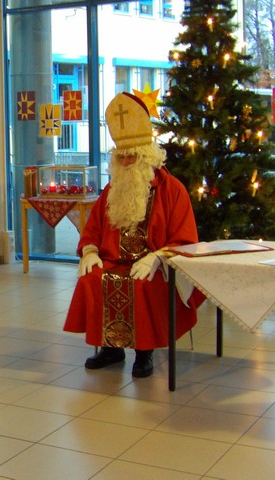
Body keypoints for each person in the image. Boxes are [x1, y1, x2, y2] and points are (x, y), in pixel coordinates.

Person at [64, 92, 204, 378]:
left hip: (153, 265)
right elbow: (92, 229)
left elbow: (185, 239)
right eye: (121, 156)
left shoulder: (172, 190)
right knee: (93, 277)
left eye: (132, 155)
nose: (126, 161)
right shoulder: (112, 190)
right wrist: (90, 250)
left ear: (146, 155)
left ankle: (144, 352)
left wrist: (157, 258)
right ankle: (111, 349)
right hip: (114, 261)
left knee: (142, 283)